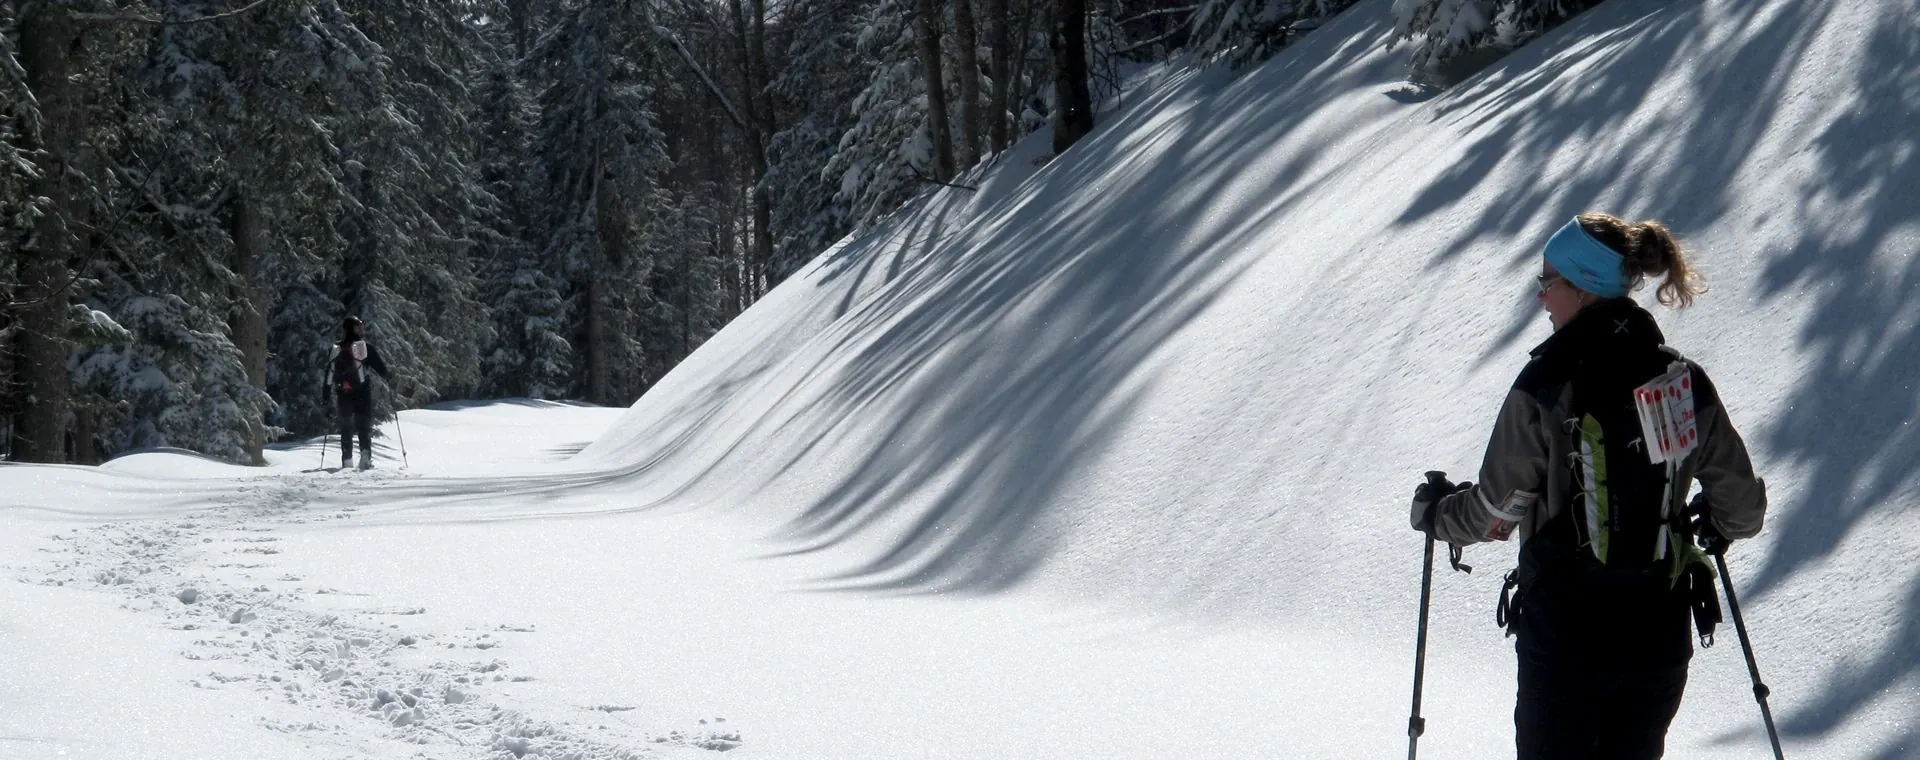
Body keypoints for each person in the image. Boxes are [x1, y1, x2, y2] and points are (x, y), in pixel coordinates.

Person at [1407, 213, 1768, 759]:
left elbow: (1494, 510)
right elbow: (1742, 510)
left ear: (1583, 288)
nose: (1542, 298)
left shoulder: (1547, 383)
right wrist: (1711, 526)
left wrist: (1436, 514)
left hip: (1567, 638)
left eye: (1547, 283)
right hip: (1659, 639)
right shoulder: (1680, 379)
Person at [324, 315, 391, 470]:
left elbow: (328, 375)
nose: (362, 328)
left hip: (342, 392)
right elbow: (380, 368)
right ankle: (365, 458)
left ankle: (347, 461)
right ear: (354, 328)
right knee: (363, 426)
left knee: (346, 427)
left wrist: (326, 396)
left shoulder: (336, 349)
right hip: (362, 391)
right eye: (359, 325)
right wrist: (389, 377)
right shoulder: (363, 347)